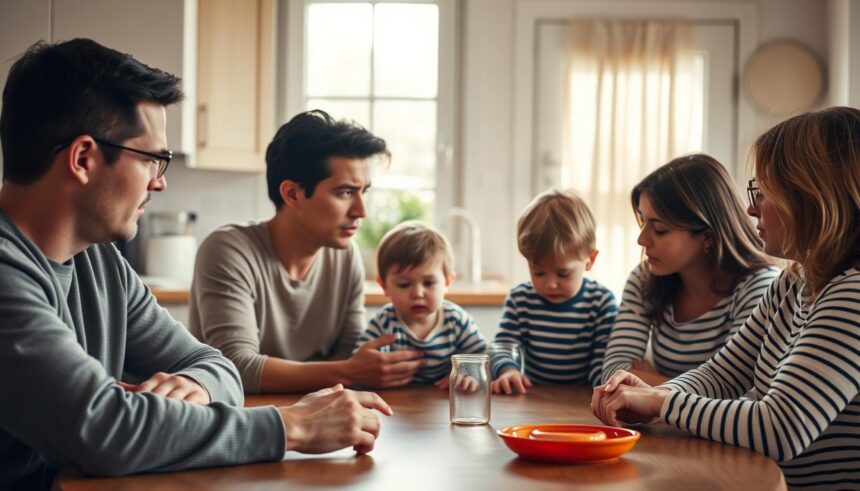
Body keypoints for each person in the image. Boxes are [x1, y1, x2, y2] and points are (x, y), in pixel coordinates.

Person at [0, 39, 390, 491]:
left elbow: (215, 363)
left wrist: (197, 386)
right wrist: (292, 427)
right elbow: (106, 431)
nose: (161, 182)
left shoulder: (102, 261)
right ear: (84, 158)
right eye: (153, 160)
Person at [592, 107, 860, 489]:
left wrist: (659, 403)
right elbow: (724, 373)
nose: (750, 207)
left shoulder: (852, 294)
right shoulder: (794, 281)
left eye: (764, 192)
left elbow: (781, 427)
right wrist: (655, 393)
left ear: (812, 198)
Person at [188, 109, 426, 393]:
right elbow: (235, 367)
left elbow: (351, 353)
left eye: (364, 192)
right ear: (292, 194)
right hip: (246, 421)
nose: (361, 211)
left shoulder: (345, 254)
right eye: (345, 193)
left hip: (324, 412)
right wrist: (348, 371)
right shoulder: (229, 251)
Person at [601, 154, 779, 386]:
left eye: (660, 229)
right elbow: (615, 374)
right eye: (643, 222)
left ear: (706, 237)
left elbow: (738, 388)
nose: (642, 239)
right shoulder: (645, 278)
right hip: (658, 423)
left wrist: (655, 382)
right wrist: (694, 390)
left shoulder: (760, 287)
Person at [491, 189, 618, 395]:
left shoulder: (601, 302)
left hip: (583, 400)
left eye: (563, 273)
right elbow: (503, 346)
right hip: (534, 398)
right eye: (538, 272)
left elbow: (603, 362)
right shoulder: (520, 299)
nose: (550, 284)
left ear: (590, 260)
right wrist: (508, 371)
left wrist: (606, 388)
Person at [355, 221, 488, 388]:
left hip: (445, 403)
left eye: (429, 283)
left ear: (447, 282)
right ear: (384, 287)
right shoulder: (384, 323)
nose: (417, 293)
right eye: (404, 284)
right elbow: (361, 363)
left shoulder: (456, 320)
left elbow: (482, 356)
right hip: (397, 405)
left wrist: (468, 375)